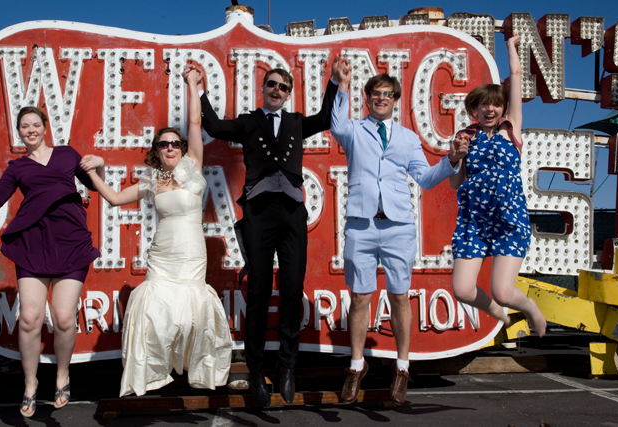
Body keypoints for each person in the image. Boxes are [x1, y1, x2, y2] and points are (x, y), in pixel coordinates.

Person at [199, 57, 344, 406]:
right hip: (259, 212)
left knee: (292, 288)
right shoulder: (249, 122)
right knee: (260, 290)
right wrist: (199, 90)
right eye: (272, 84)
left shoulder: (295, 122)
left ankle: (288, 365)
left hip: (292, 211)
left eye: (283, 86)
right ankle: (255, 370)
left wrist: (335, 82)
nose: (276, 90)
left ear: (288, 93)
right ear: (263, 89)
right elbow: (214, 126)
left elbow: (326, 118)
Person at [80, 65, 232, 397]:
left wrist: (192, 84)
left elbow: (195, 122)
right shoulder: (150, 180)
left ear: (182, 147)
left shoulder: (193, 166)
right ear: (157, 150)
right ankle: (152, 375)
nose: (171, 148)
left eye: (175, 143)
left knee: (190, 316)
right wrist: (93, 173)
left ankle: (193, 368)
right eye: (164, 144)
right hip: (162, 256)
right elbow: (115, 199)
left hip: (191, 254)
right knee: (152, 311)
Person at [330, 65, 467, 405]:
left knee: (400, 296)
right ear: (367, 99)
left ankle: (402, 367)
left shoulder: (408, 138)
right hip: (361, 224)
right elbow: (336, 125)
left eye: (387, 94)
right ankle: (356, 366)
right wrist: (342, 85)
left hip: (398, 226)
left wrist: (451, 159)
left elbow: (425, 179)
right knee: (360, 297)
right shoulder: (353, 130)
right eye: (375, 94)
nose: (381, 98)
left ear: (395, 100)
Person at [0, 106, 101, 417]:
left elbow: (96, 185)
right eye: (24, 126)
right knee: (29, 319)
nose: (30, 130)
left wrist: (100, 164)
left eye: (35, 124)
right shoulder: (17, 167)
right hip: (32, 244)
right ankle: (30, 384)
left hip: (70, 242)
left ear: (45, 127)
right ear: (20, 132)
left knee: (64, 318)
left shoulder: (67, 154)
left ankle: (62, 375)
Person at [449, 34, 546, 339]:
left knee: (503, 291)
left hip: (508, 218)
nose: (490, 109)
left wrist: (510, 47)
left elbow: (515, 76)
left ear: (503, 109)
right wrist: (456, 158)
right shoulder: (465, 137)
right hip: (475, 220)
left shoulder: (510, 130)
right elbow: (455, 183)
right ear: (475, 109)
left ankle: (529, 308)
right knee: (462, 289)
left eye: (496, 104)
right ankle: (497, 312)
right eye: (484, 105)